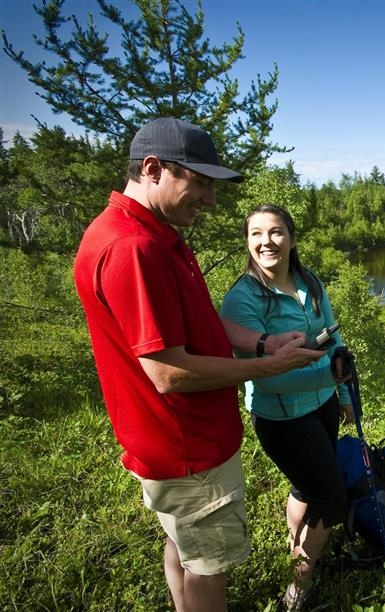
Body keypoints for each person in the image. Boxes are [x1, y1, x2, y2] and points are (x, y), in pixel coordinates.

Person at [73, 118, 328, 612]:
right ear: (153, 169)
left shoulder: (147, 235)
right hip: (187, 447)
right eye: (201, 182)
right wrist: (268, 368)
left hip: (171, 442)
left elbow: (194, 327)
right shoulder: (134, 248)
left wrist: (262, 343)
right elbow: (168, 373)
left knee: (184, 547)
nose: (210, 200)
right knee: (209, 566)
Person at [220, 204, 352, 610]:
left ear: (292, 238)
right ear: (247, 242)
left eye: (276, 232)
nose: (267, 242)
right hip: (282, 418)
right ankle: (298, 588)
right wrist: (328, 378)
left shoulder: (309, 281)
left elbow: (333, 336)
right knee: (332, 500)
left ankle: (299, 545)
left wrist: (343, 393)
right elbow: (266, 377)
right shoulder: (242, 300)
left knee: (305, 487)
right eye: (256, 234)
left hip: (324, 404)